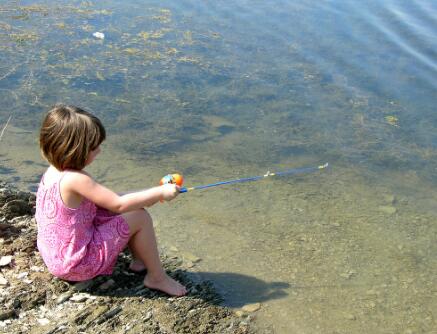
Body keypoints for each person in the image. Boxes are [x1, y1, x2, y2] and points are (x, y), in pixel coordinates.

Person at [35, 104, 187, 296]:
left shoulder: (53, 172)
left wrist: (143, 198)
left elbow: (108, 202)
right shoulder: (77, 179)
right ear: (76, 151)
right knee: (139, 216)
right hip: (77, 265)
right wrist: (160, 193)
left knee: (125, 209)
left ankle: (140, 261)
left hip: (55, 255)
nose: (99, 151)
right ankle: (157, 277)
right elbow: (118, 203)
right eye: (94, 147)